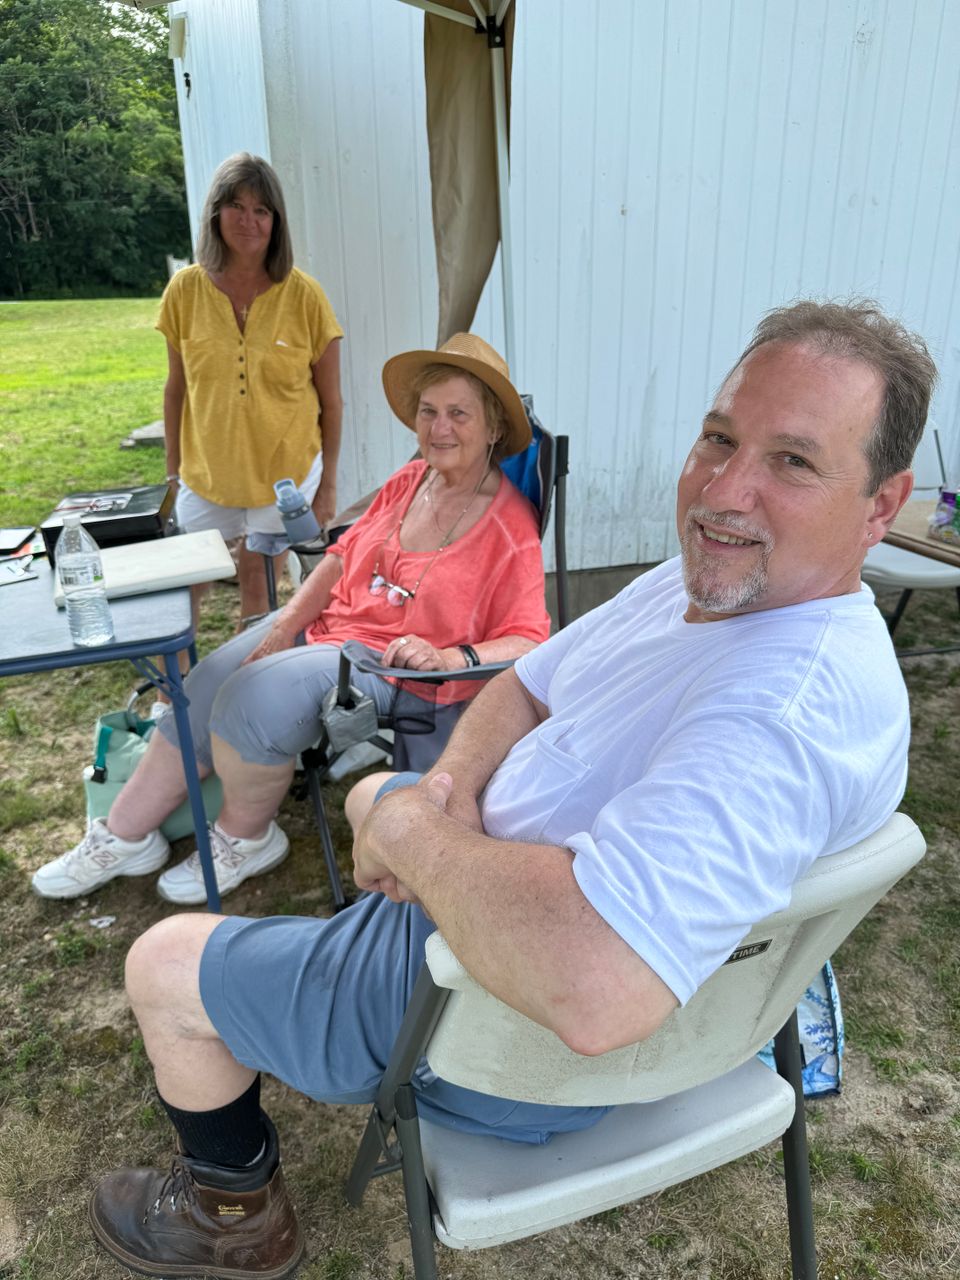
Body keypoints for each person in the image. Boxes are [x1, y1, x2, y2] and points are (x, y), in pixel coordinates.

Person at [87, 300, 935, 1280]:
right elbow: (529, 684)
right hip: (497, 917)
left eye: (793, 460)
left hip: (492, 1019)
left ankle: (232, 1210)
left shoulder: (779, 712)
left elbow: (592, 988)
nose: (724, 489)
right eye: (718, 437)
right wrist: (443, 787)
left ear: (881, 501)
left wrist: (401, 825)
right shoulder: (709, 582)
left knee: (161, 962)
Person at [33, 333, 549, 906]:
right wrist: (282, 624)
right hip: (331, 625)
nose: (439, 428)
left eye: (459, 414)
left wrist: (452, 658)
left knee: (250, 701)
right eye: (429, 411)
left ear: (494, 427)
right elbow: (340, 558)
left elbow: (531, 640)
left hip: (393, 665)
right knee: (204, 681)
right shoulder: (411, 481)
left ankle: (248, 837)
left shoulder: (509, 527)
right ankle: (125, 834)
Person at [160, 152, 344, 622]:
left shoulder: (305, 295)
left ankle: (243, 690)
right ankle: (172, 698)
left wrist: (326, 488)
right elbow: (176, 389)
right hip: (206, 478)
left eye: (261, 210)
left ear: (275, 222)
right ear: (215, 212)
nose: (248, 220)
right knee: (183, 597)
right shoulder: (184, 291)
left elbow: (331, 401)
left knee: (258, 591)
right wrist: (172, 475)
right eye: (236, 206)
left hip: (284, 478)